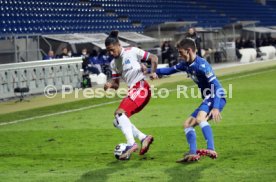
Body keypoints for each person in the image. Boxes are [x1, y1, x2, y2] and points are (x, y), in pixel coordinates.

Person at [156, 38, 226, 162]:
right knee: (187, 124)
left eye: (181, 52)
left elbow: (218, 87)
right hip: (207, 98)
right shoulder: (186, 64)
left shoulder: (202, 65)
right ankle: (193, 154)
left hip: (216, 97)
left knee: (200, 118)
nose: (179, 55)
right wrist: (154, 72)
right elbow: (170, 70)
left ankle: (211, 148)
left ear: (189, 51)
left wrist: (215, 107)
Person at [104, 30, 158, 160]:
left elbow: (154, 58)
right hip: (134, 90)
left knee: (119, 113)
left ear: (118, 45)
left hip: (141, 87)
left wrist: (153, 72)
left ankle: (131, 144)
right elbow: (116, 84)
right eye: (108, 51)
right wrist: (110, 85)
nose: (111, 53)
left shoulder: (132, 51)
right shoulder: (113, 64)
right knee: (117, 121)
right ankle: (143, 138)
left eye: (112, 50)